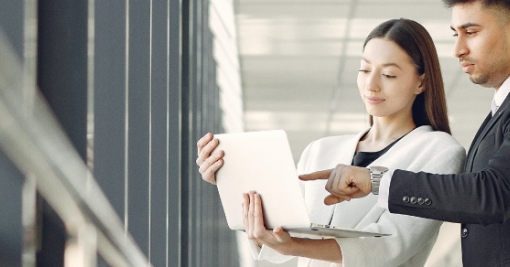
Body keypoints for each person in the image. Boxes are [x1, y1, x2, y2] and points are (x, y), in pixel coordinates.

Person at [300, 1, 510, 266]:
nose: (458, 49)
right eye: (455, 34)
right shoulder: (509, 108)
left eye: (470, 32)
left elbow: (493, 193)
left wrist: (376, 181)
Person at [197, 18, 466, 266]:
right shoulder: (321, 150)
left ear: (421, 82)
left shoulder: (439, 152)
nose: (371, 85)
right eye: (364, 69)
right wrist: (230, 182)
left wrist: (295, 246)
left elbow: (391, 245)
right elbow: (281, 231)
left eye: (389, 75)